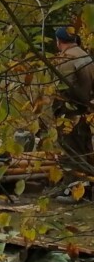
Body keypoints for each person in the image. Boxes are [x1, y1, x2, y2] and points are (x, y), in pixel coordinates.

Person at [53, 26, 94, 177]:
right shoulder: (86, 56)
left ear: (59, 41)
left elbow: (63, 89)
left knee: (70, 149)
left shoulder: (66, 59)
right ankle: (88, 184)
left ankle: (72, 187)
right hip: (85, 109)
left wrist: (57, 109)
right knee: (85, 147)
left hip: (69, 111)